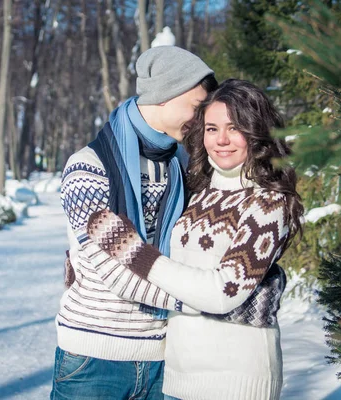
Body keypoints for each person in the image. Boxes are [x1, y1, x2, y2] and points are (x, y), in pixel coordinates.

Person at [85, 79, 304, 400]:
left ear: (257, 132)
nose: (222, 140)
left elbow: (221, 293)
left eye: (235, 128)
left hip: (236, 379)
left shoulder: (267, 202)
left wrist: (135, 253)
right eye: (212, 129)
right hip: (178, 374)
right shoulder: (198, 190)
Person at [51, 46, 217, 400]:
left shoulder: (184, 167)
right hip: (94, 360)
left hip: (164, 358)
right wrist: (210, 300)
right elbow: (113, 271)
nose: (202, 120)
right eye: (197, 107)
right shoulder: (88, 166)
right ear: (165, 95)